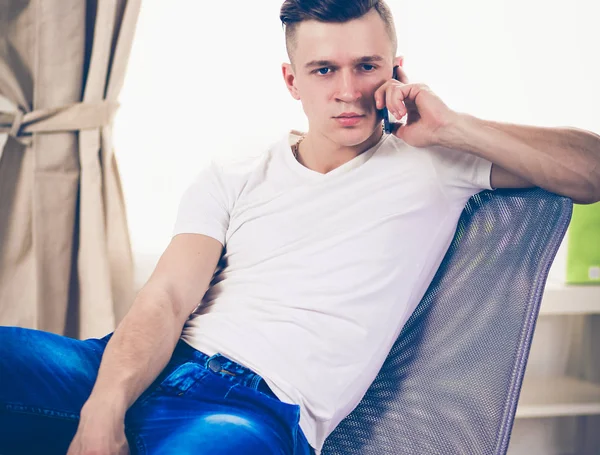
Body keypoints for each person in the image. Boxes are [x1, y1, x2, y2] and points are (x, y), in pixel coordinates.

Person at [2, 0, 599, 454]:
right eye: (323, 70)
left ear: (396, 68)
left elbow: (591, 171)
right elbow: (167, 296)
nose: (348, 91)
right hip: (146, 363)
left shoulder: (437, 162)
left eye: (367, 66)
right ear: (292, 81)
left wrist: (452, 127)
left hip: (254, 410)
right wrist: (103, 406)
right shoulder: (237, 169)